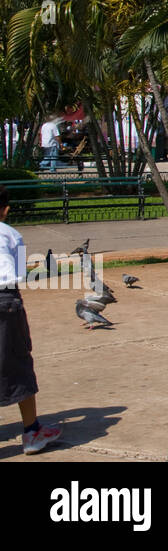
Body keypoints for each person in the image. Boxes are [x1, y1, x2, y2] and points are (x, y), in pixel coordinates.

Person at [0, 185, 63, 454]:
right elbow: (19, 272)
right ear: (6, 209)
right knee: (18, 362)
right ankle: (32, 432)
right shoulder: (11, 234)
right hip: (5, 301)